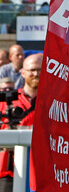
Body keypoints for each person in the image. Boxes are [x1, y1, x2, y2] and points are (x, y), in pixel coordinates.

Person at [0, 53, 41, 191]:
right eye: (32, 70)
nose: (36, 74)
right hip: (9, 172)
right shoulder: (6, 102)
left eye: (40, 70)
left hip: (41, 172)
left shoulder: (54, 102)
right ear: (23, 72)